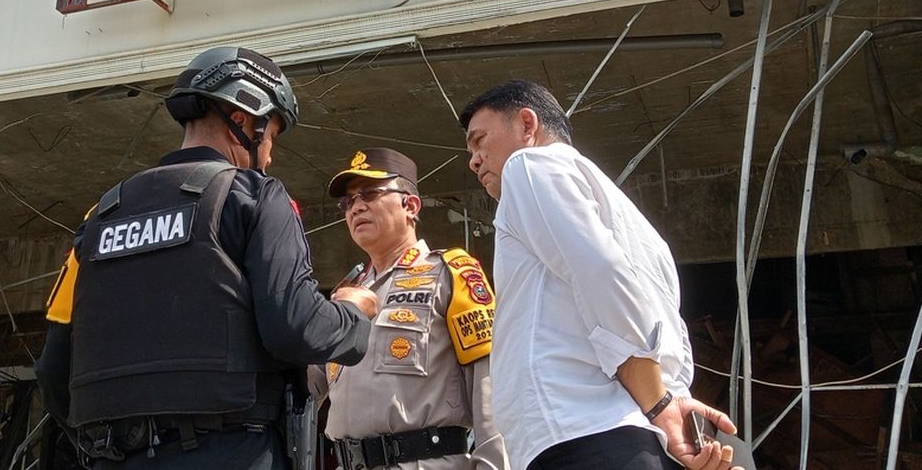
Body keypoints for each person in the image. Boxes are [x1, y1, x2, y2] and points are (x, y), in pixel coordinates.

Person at [35, 46, 378, 469]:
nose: (270, 155)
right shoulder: (254, 196)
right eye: (271, 136)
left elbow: (53, 369)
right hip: (232, 452)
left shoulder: (101, 215)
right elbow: (296, 328)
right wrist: (352, 314)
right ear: (242, 121)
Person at [459, 80, 742, 470]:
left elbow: (603, 273)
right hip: (638, 433)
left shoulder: (527, 166)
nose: (474, 161)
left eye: (480, 141)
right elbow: (666, 327)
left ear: (527, 125)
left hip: (582, 429)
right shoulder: (636, 224)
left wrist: (659, 403)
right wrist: (668, 402)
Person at [309, 148, 510, 470]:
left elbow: (490, 383)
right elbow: (310, 386)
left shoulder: (450, 273)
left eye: (370, 193)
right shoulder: (345, 297)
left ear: (410, 206)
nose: (356, 207)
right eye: (348, 201)